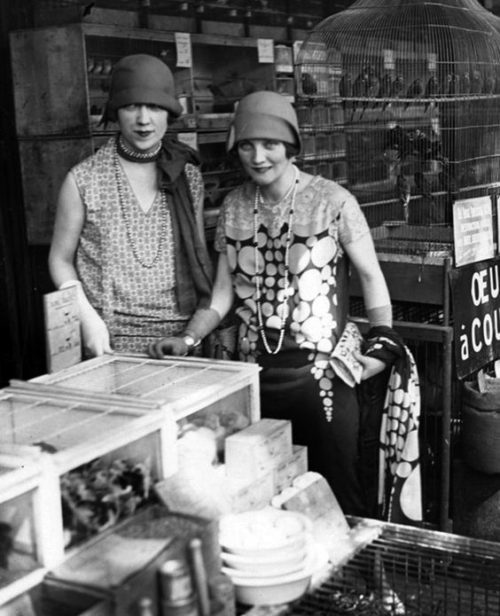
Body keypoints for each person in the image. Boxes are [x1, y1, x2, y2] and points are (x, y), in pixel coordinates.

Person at [150, 91, 415, 519]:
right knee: (264, 491)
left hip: (323, 374)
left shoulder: (335, 201)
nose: (258, 156)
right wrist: (189, 336)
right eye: (247, 145)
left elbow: (370, 276)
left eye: (270, 144)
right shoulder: (235, 206)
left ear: (290, 145)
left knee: (337, 486)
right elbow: (223, 292)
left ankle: (358, 579)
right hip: (254, 374)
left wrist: (382, 342)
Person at [49, 54, 213, 356]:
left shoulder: (188, 176)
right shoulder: (83, 179)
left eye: (154, 106)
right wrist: (87, 319)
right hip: (108, 341)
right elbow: (60, 259)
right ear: (114, 112)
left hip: (178, 341)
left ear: (169, 112)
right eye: (130, 106)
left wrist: (191, 335)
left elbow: (199, 257)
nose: (143, 119)